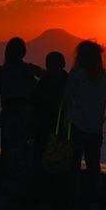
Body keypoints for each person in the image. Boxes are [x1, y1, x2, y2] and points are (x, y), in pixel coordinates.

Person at [0, 37, 44, 197]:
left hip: (7, 115)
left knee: (8, 150)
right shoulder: (28, 69)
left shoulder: (2, 70)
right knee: (25, 150)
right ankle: (24, 187)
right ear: (23, 52)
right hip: (26, 116)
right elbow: (47, 76)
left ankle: (9, 185)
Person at [62, 40, 106, 210]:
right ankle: (95, 205)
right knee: (93, 166)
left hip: (77, 126)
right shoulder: (103, 76)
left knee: (73, 167)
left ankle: (74, 207)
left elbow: (67, 99)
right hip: (95, 128)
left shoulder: (76, 75)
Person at [30, 51, 69, 198]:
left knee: (42, 158)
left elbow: (35, 99)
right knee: (58, 161)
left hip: (47, 125)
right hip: (56, 126)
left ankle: (43, 193)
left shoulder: (45, 80)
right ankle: (54, 194)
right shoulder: (67, 80)